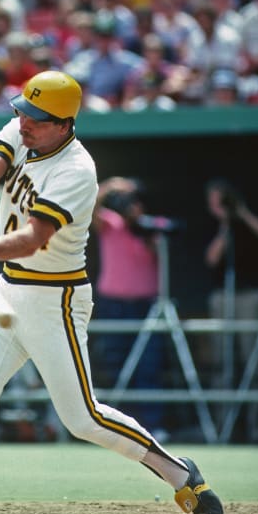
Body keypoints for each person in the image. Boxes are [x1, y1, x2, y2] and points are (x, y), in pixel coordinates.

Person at [0, 70, 223, 514]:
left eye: (38, 119)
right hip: (8, 289)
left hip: (55, 299)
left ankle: (182, 474)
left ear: (64, 125)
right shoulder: (23, 128)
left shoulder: (76, 171)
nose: (25, 122)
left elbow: (31, 240)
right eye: (23, 111)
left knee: (82, 418)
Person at [91, 176, 167, 441]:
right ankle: (116, 427)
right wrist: (111, 187)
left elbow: (158, 247)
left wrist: (139, 224)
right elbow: (87, 207)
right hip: (113, 304)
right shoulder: (111, 223)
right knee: (114, 363)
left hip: (147, 305)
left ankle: (152, 426)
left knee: (148, 365)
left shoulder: (153, 226)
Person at [204, 178, 258, 442]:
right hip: (222, 297)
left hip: (250, 294)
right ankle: (223, 428)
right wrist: (225, 225)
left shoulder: (249, 219)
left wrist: (242, 214)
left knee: (255, 363)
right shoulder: (215, 226)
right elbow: (211, 258)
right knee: (223, 362)